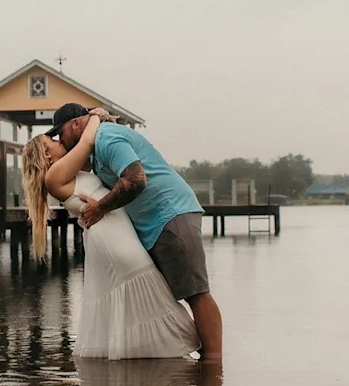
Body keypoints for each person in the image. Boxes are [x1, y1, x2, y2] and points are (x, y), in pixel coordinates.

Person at [50, 103, 223, 361]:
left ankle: (213, 366)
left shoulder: (107, 138)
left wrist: (100, 207)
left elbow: (136, 179)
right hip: (153, 225)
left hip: (169, 214)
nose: (60, 139)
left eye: (60, 133)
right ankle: (201, 371)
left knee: (195, 292)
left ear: (75, 124)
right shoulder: (96, 147)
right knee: (176, 295)